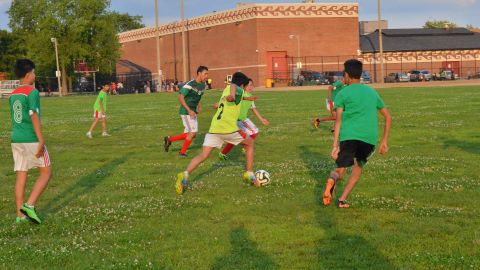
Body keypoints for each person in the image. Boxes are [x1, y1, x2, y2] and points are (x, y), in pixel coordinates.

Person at [175, 72, 261, 194]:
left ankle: (184, 175)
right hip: (228, 129)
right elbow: (233, 89)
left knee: (203, 155)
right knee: (250, 143)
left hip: (214, 129)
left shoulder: (226, 90)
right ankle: (249, 174)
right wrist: (232, 94)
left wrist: (248, 98)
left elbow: (225, 100)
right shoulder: (236, 89)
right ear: (242, 84)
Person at [322, 59, 392, 208]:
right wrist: (384, 141)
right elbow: (387, 117)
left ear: (347, 75)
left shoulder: (343, 93)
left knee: (340, 171)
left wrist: (335, 145)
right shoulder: (372, 92)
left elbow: (338, 121)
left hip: (349, 137)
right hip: (368, 139)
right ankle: (341, 200)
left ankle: (332, 180)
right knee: (358, 168)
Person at [9, 59, 52, 224]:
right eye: (34, 72)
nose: (35, 75)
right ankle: (30, 206)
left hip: (16, 139)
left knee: (21, 174)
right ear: (28, 74)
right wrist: (41, 139)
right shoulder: (31, 92)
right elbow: (34, 115)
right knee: (46, 172)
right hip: (31, 138)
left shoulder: (13, 94)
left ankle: (19, 216)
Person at [218, 78, 269, 160]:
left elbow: (253, 109)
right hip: (238, 120)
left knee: (239, 137)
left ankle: (223, 153)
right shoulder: (241, 94)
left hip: (244, 119)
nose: (250, 87)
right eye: (248, 85)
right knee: (253, 132)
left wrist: (261, 119)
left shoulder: (250, 97)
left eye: (251, 85)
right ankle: (246, 146)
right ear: (244, 86)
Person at [164, 66, 209, 156]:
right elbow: (180, 98)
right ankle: (182, 152)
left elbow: (198, 96)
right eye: (205, 74)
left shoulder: (203, 85)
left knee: (192, 134)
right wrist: (189, 110)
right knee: (192, 133)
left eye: (207, 74)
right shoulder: (190, 84)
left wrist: (199, 106)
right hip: (186, 111)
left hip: (192, 111)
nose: (207, 76)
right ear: (199, 74)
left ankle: (170, 139)